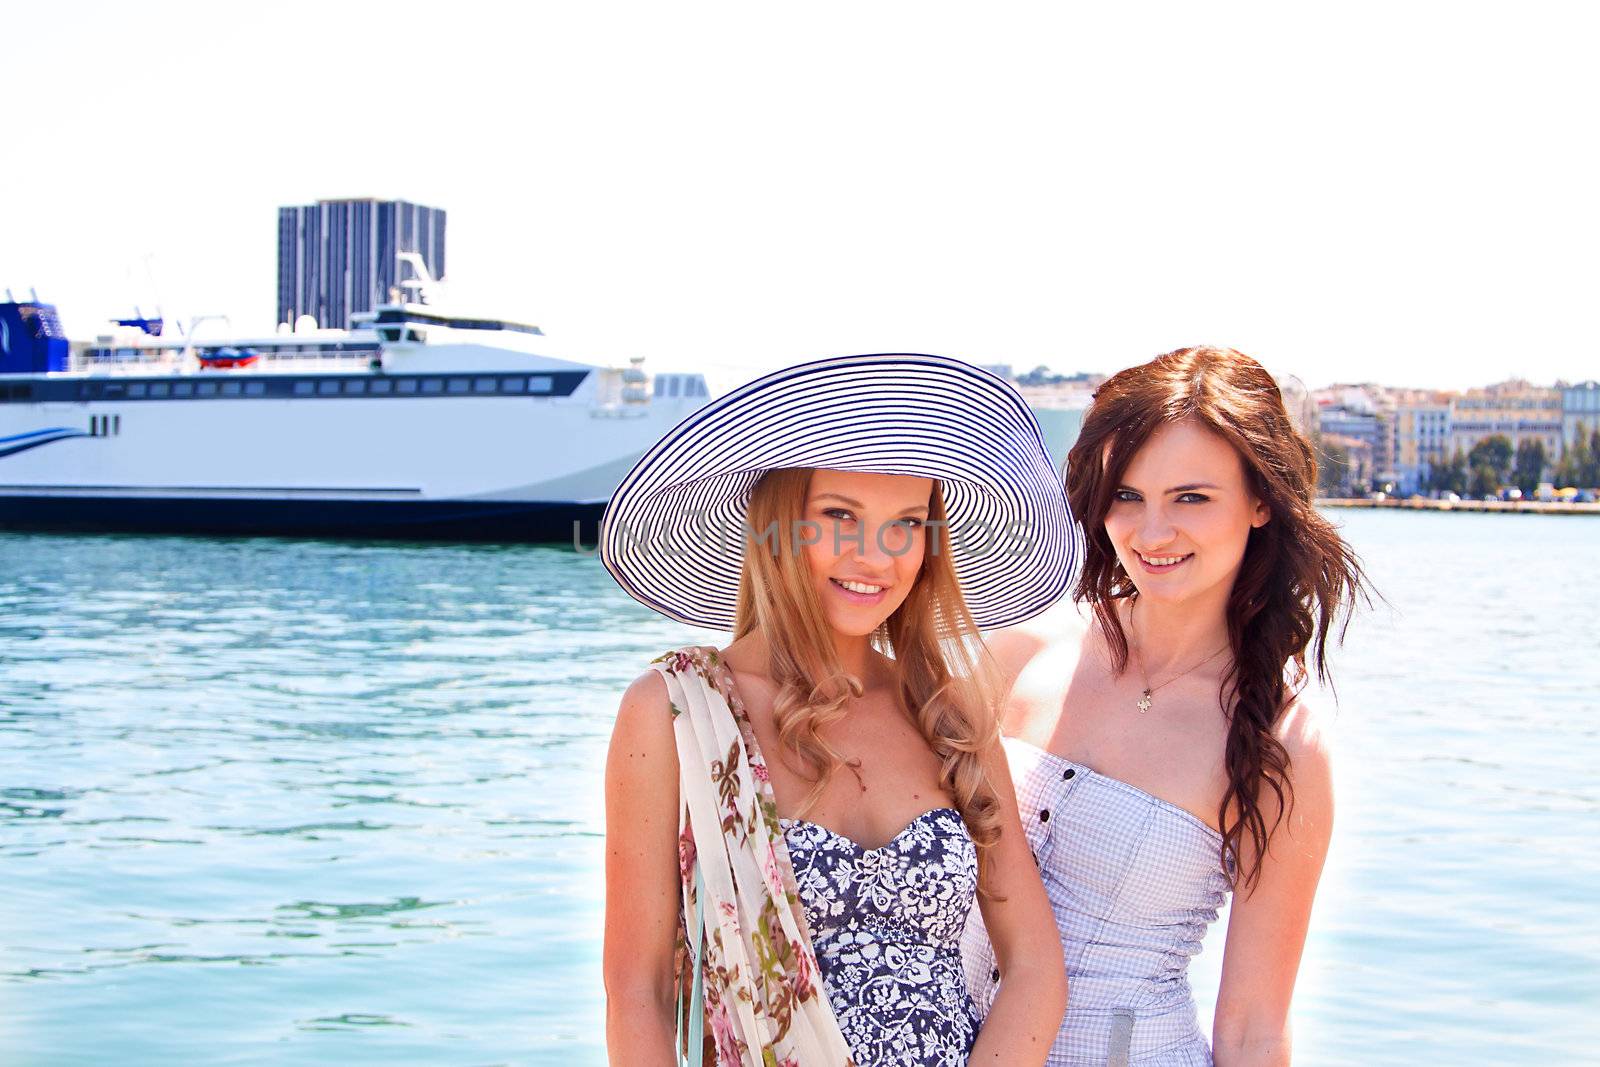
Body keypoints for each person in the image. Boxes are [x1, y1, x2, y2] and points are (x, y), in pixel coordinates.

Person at [600, 353, 1078, 1066]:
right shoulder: (676, 711)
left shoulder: (947, 713)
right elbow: (638, 988)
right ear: (780, 522)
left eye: (906, 523)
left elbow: (1035, 969)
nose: (877, 556)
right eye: (839, 515)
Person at [962, 346, 1368, 1066]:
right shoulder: (1022, 651)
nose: (1152, 533)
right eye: (1128, 495)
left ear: (1261, 501)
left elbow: (1253, 1029)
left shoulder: (1284, 740)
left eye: (1191, 497)